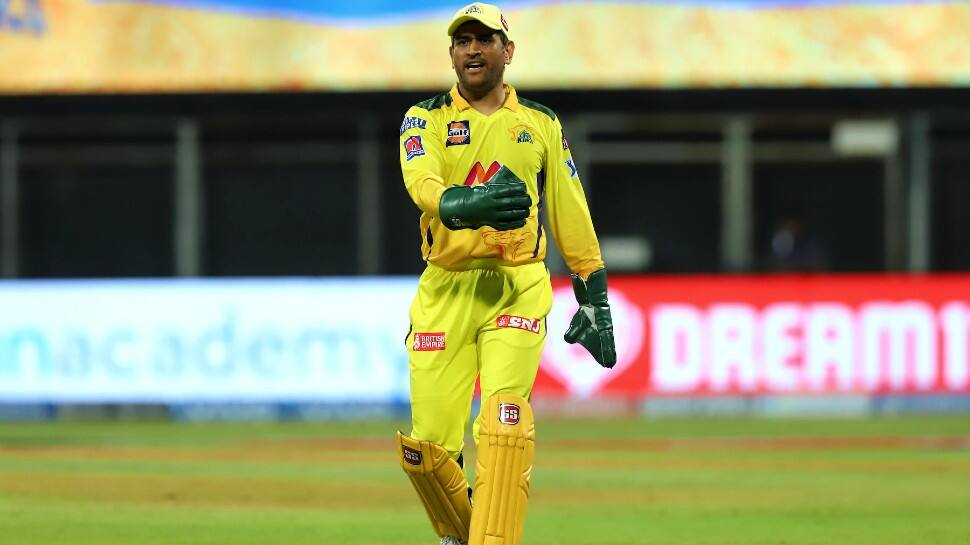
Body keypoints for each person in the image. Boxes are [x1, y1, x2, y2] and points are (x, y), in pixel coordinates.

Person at [396, 4, 616, 545]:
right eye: (463, 41)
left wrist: (593, 290)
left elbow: (569, 208)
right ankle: (460, 532)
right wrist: (462, 204)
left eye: (485, 40)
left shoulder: (539, 123)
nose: (473, 49)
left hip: (517, 284)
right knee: (426, 452)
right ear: (451, 54)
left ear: (507, 52)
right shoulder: (423, 118)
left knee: (503, 424)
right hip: (445, 287)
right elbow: (418, 181)